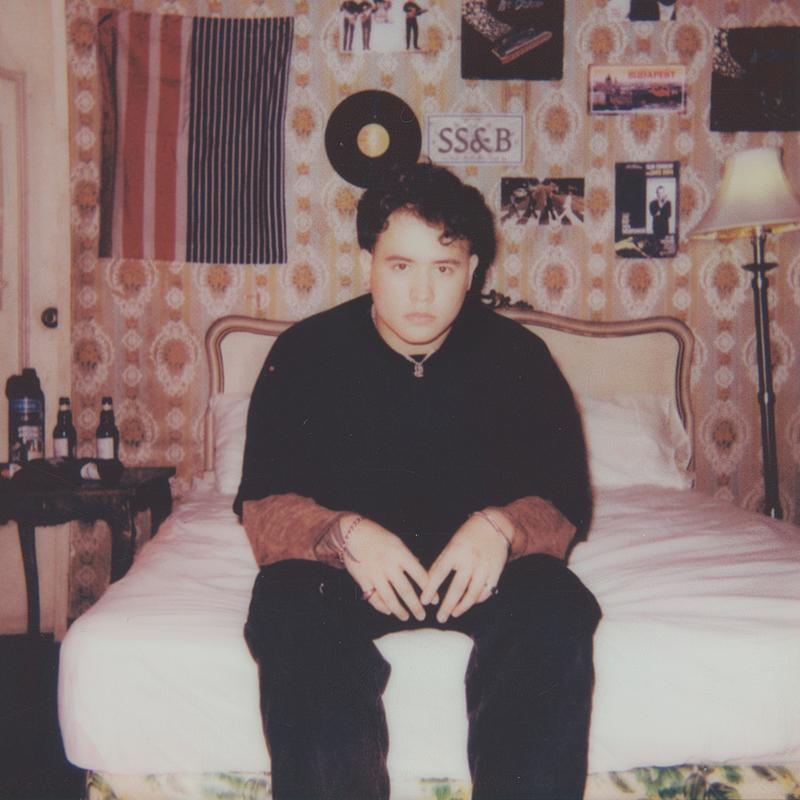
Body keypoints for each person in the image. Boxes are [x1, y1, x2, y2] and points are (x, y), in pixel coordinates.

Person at [235, 162, 600, 800]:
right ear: (369, 264)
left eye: (445, 268)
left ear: (473, 270)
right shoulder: (304, 354)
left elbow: (565, 503)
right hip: (348, 570)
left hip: (482, 570)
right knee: (288, 605)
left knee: (554, 604)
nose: (422, 294)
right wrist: (342, 533)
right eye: (402, 266)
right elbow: (263, 508)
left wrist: (503, 528)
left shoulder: (520, 358)